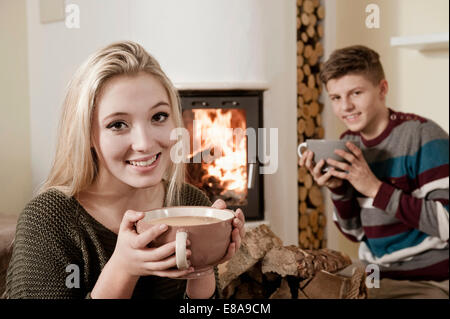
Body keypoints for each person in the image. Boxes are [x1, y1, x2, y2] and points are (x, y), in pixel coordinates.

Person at [5, 41, 245, 299]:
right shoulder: (48, 220)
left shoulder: (190, 202)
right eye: (118, 124)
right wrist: (122, 269)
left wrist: (204, 264)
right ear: (86, 134)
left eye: (159, 117)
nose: (144, 143)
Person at [299, 45, 449, 299]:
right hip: (373, 274)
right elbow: (356, 233)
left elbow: (446, 222)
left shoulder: (423, 136)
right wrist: (338, 190)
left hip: (427, 280)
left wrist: (373, 187)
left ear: (382, 89)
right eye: (335, 98)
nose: (345, 106)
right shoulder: (347, 141)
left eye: (355, 93)